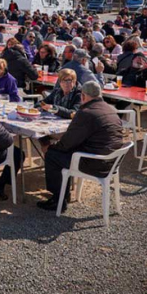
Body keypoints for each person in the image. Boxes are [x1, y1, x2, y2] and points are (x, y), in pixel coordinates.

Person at [38, 81, 124, 213]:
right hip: (112, 161)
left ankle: (58, 200)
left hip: (95, 163)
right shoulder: (111, 109)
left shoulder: (86, 113)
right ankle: (64, 194)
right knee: (61, 152)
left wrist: (51, 146)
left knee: (52, 155)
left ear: (83, 96)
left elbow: (67, 143)